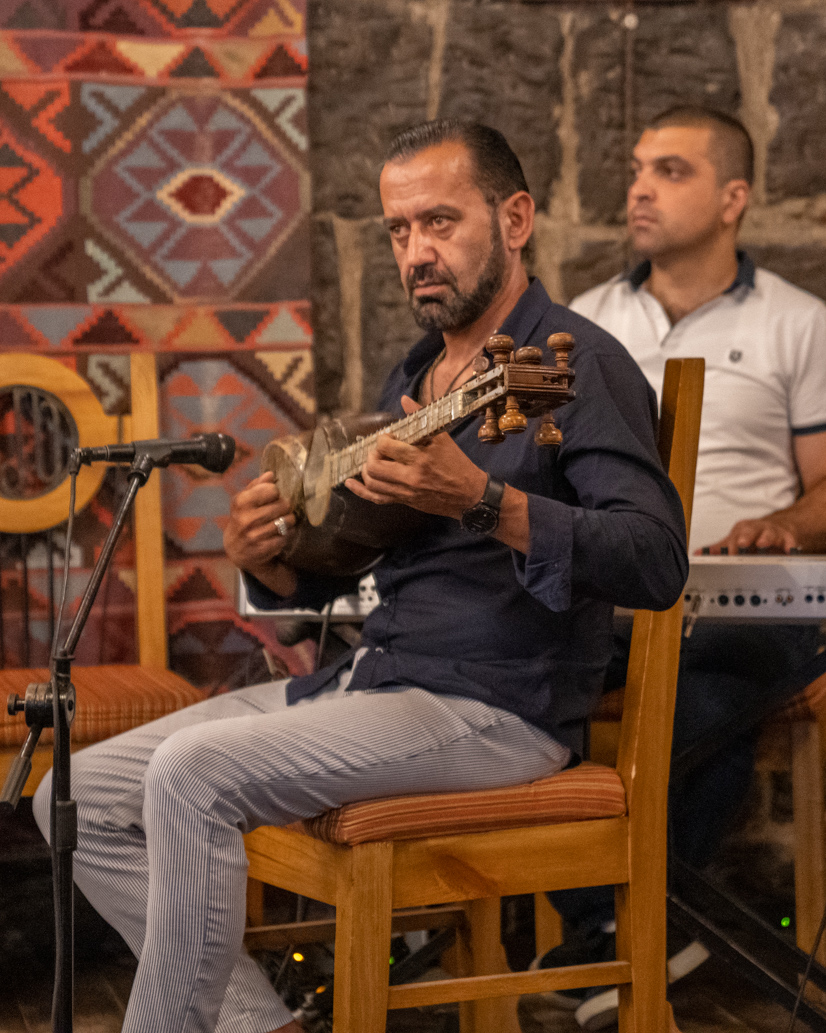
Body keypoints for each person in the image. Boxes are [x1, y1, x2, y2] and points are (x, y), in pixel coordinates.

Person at [32, 119, 688, 1033]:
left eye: (440, 222)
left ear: (515, 219)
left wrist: (482, 500)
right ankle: (262, 1026)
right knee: (79, 793)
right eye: (398, 230)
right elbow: (367, 565)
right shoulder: (417, 376)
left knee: (187, 773)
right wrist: (271, 561)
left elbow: (655, 560)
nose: (416, 253)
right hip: (375, 678)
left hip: (499, 704)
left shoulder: (573, 365)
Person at [529, 106, 826, 1032]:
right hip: (615, 598)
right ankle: (632, 929)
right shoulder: (586, 323)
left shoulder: (800, 323)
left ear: (733, 198)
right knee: (525, 675)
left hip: (741, 608)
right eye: (635, 169)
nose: (639, 190)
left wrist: (783, 524)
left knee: (697, 694)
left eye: (670, 170)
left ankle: (615, 931)